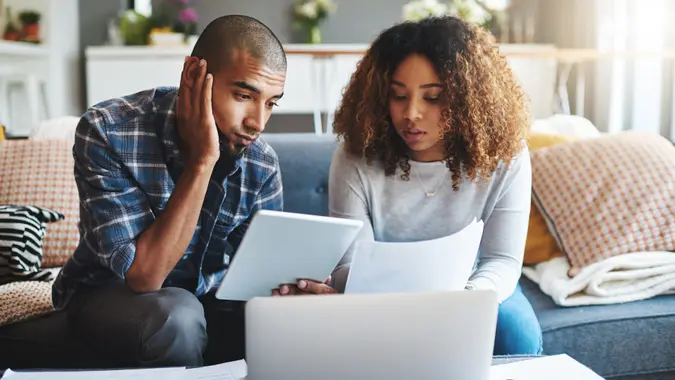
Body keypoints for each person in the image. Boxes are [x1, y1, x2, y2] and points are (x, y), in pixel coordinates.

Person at [51, 15, 333, 368]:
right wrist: (203, 161)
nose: (258, 123)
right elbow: (144, 275)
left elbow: (259, 272)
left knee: (294, 317)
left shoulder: (260, 164)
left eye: (271, 103)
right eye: (244, 95)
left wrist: (295, 290)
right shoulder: (109, 131)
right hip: (109, 293)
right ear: (192, 76)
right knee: (178, 316)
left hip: (207, 297)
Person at [325, 16, 543, 355]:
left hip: (472, 288)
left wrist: (463, 303)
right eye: (398, 96)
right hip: (379, 294)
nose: (411, 113)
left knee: (514, 332)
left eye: (433, 97)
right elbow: (348, 267)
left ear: (468, 100)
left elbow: (502, 260)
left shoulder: (506, 155)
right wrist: (406, 303)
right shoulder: (355, 156)